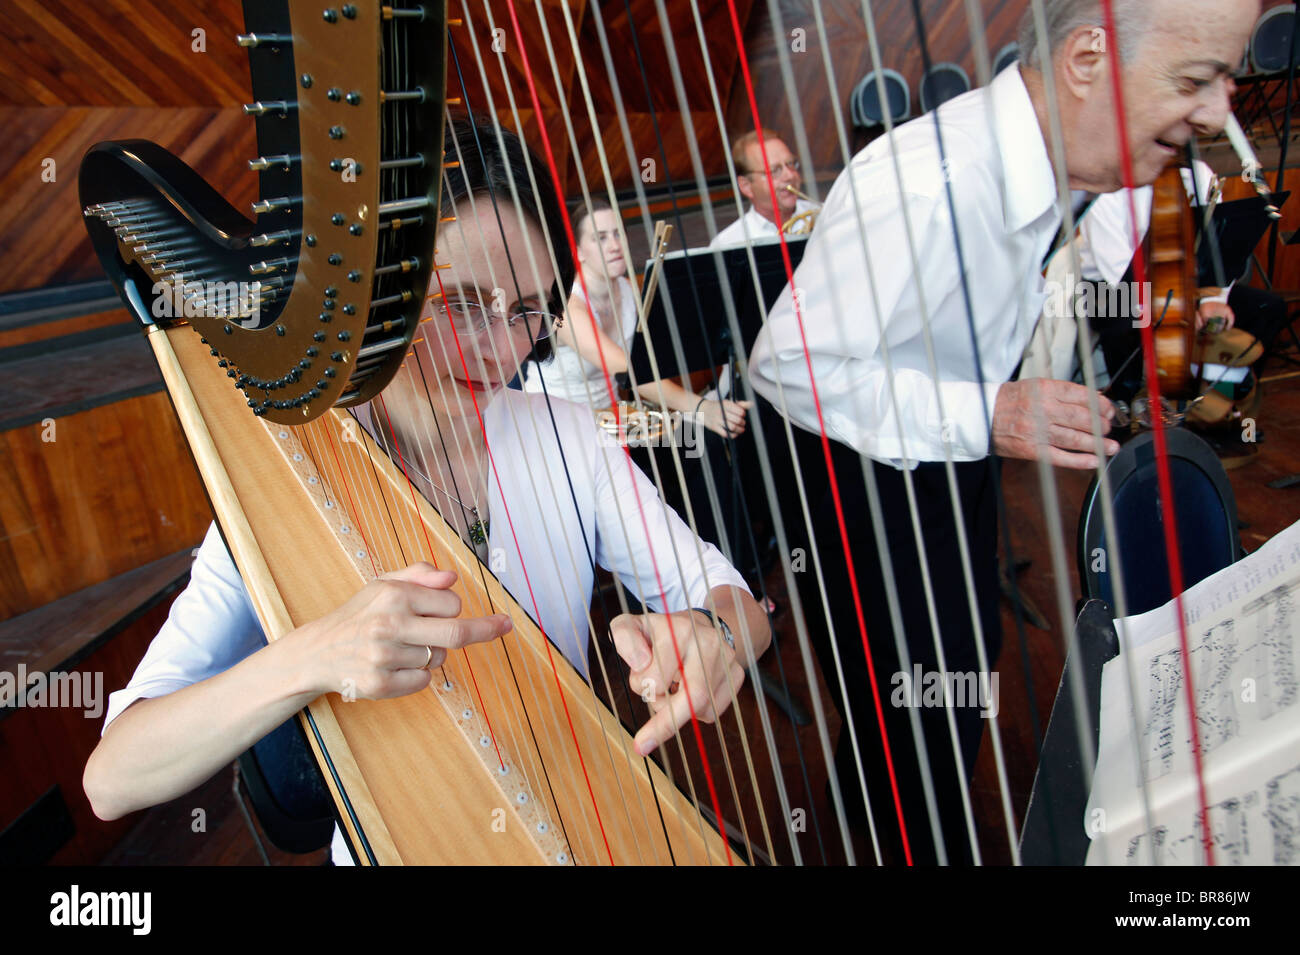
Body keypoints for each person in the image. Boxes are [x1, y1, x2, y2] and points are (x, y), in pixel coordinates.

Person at [83, 118, 771, 864]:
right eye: (463, 302)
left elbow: (733, 596)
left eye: (526, 310)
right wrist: (315, 655)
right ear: (380, 295)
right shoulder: (285, 491)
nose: (503, 348)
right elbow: (111, 778)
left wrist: (717, 634)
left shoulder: (570, 437)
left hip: (574, 817)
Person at [747, 0, 1259, 864]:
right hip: (857, 467)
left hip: (951, 449)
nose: (1219, 114)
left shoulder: (1062, 155)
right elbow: (785, 365)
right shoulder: (923, 183)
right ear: (1088, 58)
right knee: (919, 708)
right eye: (1195, 80)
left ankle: (875, 802)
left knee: (957, 667)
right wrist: (992, 410)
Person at [523, 198, 751, 439]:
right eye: (600, 238)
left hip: (607, 420)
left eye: (618, 234)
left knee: (694, 444)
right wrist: (702, 408)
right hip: (555, 426)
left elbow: (654, 353)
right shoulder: (568, 307)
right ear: (578, 251)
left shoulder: (629, 289)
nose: (614, 246)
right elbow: (629, 371)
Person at [710, 131, 819, 249]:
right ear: (746, 186)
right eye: (774, 170)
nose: (790, 176)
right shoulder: (727, 244)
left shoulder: (828, 215)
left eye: (791, 164)